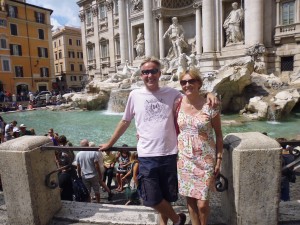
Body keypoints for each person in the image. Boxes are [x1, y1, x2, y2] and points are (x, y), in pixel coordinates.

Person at [99, 57, 218, 225]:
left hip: (170, 154)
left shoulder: (172, 94)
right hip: (147, 155)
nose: (150, 75)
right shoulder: (134, 95)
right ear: (141, 75)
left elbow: (192, 94)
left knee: (166, 198)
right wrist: (110, 143)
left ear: (159, 73)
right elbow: (125, 121)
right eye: (145, 72)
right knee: (152, 198)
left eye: (153, 71)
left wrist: (209, 94)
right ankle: (178, 220)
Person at [176, 68, 223, 225]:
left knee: (202, 204)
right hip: (185, 159)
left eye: (191, 81)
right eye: (184, 82)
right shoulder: (177, 103)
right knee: (190, 200)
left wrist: (219, 159)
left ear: (199, 83)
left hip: (205, 159)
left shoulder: (211, 105)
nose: (187, 85)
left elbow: (219, 134)